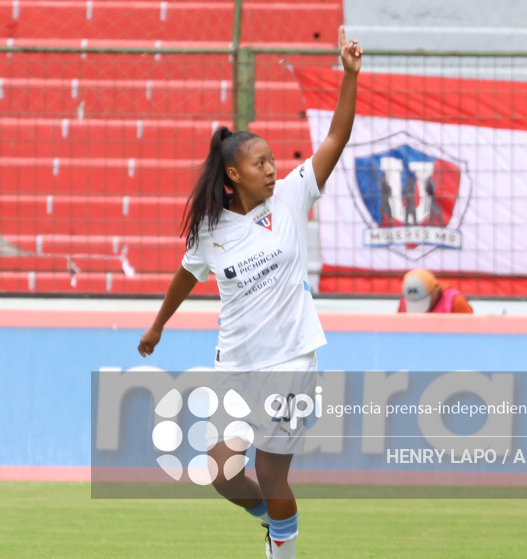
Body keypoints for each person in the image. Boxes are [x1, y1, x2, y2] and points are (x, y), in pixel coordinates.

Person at [137, 26, 363, 559]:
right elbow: (186, 275)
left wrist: (349, 77)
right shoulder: (211, 231)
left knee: (269, 471)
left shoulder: (290, 198)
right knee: (219, 469)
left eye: (272, 160)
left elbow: (335, 138)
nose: (272, 167)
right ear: (234, 174)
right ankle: (277, 526)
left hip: (291, 362)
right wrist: (157, 324)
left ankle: (281, 549)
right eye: (260, 163)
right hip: (236, 365)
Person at [397, 268, 473, 313]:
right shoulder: (404, 304)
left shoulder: (455, 302)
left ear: (435, 290)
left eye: (424, 299)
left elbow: (470, 335)